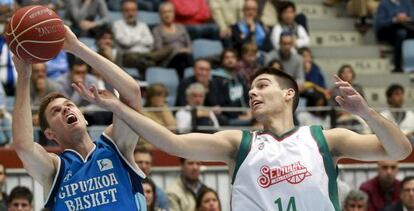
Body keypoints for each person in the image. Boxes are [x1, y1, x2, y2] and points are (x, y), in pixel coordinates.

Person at [73, 66, 412, 210]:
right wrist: (116, 106)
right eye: (250, 89)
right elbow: (171, 142)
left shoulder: (325, 139)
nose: (253, 92)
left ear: (290, 93)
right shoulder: (239, 144)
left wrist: (367, 113)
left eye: (262, 85)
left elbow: (399, 150)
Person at [11, 26, 146, 210]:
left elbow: (132, 93)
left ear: (84, 117)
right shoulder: (54, 168)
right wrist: (24, 76)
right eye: (56, 111)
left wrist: (76, 47)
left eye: (69, 106)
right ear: (50, 133)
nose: (65, 110)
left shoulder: (115, 146)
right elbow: (23, 146)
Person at [153, 2, 193, 79]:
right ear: (160, 15)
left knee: (187, 58)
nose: (167, 15)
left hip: (185, 57)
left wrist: (187, 50)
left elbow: (190, 46)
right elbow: (159, 49)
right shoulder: (157, 30)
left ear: (174, 13)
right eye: (164, 12)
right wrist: (178, 51)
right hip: (169, 60)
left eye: (169, 11)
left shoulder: (181, 27)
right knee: (183, 57)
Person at [374, 0, 414, 72]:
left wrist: (406, 18)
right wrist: (395, 19)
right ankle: (398, 66)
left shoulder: (407, 3)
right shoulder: (384, 4)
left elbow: (412, 15)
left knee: (403, 32)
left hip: (407, 28)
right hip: (388, 31)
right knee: (401, 33)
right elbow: (379, 22)